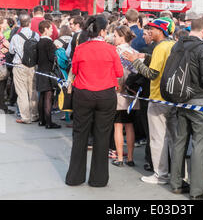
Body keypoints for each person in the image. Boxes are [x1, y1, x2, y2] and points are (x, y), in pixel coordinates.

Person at [65, 15, 123, 188]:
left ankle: (74, 177)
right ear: (104, 31)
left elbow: (74, 70)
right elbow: (119, 73)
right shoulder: (111, 49)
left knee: (80, 134)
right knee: (102, 136)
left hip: (83, 94)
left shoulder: (81, 48)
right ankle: (98, 179)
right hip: (106, 95)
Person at [122, 17, 177, 185]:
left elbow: (152, 74)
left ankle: (161, 174)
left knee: (158, 139)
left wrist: (135, 61)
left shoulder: (160, 47)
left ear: (161, 31)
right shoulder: (173, 45)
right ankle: (179, 175)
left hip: (158, 98)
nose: (149, 31)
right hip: (173, 98)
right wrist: (145, 56)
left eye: (152, 28)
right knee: (175, 140)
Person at [170, 15, 203, 200]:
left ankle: (176, 183)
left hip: (181, 99)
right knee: (200, 145)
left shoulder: (178, 44)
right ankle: (197, 191)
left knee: (180, 141)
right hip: (201, 101)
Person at [112, 25, 140, 167]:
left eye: (115, 36)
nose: (113, 38)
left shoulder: (115, 52)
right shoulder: (135, 52)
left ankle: (119, 158)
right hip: (132, 94)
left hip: (117, 92)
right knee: (130, 125)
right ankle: (130, 158)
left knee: (118, 126)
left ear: (122, 37)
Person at [9, 13, 39, 124]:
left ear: (20, 24)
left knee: (21, 92)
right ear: (30, 23)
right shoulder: (36, 35)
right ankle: (34, 114)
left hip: (19, 66)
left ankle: (25, 117)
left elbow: (11, 51)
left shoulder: (16, 37)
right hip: (33, 66)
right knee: (33, 90)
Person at [36, 20, 61, 129]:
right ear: (45, 29)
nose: (52, 30)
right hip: (48, 72)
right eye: (50, 28)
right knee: (48, 97)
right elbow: (52, 58)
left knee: (42, 96)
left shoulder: (39, 42)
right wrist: (56, 49)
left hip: (40, 70)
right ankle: (49, 122)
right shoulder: (49, 43)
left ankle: (42, 120)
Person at [0, 16, 14, 114]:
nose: (6, 25)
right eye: (5, 23)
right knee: (2, 86)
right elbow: (11, 47)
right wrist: (8, 49)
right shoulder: (1, 36)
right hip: (1, 63)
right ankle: (3, 107)